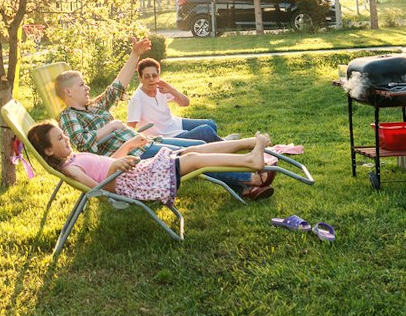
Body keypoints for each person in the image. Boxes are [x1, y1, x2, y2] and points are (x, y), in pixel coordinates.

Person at [53, 44, 273, 197]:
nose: (87, 87)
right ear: (68, 92)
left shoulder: (94, 105)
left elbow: (118, 85)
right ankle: (250, 178)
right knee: (193, 156)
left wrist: (134, 55)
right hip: (130, 157)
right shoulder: (69, 116)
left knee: (197, 146)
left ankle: (245, 182)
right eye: (82, 85)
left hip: (144, 142)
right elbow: (82, 144)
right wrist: (112, 126)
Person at [27, 121, 274, 206]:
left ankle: (248, 143)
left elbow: (107, 163)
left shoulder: (72, 157)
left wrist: (128, 147)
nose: (66, 137)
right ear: (49, 150)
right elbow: (98, 189)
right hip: (138, 182)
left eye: (63, 133)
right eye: (60, 138)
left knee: (192, 151)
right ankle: (250, 160)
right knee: (194, 159)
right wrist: (116, 167)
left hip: (136, 172)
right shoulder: (70, 168)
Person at [126, 55, 221, 144]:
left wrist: (171, 89)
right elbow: (130, 128)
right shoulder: (137, 99)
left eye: (154, 75)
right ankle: (225, 143)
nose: (151, 79)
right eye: (147, 76)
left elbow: (185, 103)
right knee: (205, 131)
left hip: (174, 124)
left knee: (211, 124)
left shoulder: (161, 87)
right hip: (165, 136)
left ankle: (217, 142)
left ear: (158, 75)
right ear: (140, 78)